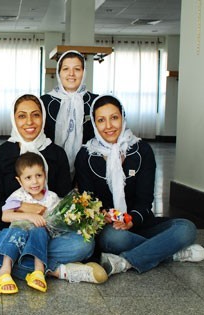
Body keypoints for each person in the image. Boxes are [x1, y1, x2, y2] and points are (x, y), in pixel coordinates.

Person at [0, 94, 107, 284]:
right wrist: (27, 210)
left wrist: (47, 217)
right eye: (22, 116)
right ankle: (58, 271)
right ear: (14, 118)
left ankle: (2, 261)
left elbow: (63, 201)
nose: (29, 121)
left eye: (35, 115)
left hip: (48, 232)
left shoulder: (56, 153)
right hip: (13, 231)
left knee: (85, 245)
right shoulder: (0, 153)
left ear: (43, 117)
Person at [74, 94, 204, 276]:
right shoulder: (86, 155)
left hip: (141, 224)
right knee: (114, 239)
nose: (109, 126)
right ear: (95, 124)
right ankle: (170, 253)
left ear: (123, 117)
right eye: (101, 120)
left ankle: (125, 261)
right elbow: (89, 200)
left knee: (187, 228)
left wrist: (131, 220)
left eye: (114, 118)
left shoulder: (141, 150)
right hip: (112, 229)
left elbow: (145, 200)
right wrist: (104, 216)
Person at [0, 152, 61, 294]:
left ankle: (38, 271)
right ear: (20, 181)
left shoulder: (52, 197)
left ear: (45, 174)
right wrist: (30, 216)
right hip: (17, 236)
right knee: (15, 231)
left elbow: (57, 221)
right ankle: (4, 271)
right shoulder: (17, 196)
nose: (34, 182)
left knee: (40, 231)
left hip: (40, 239)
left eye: (38, 176)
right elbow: (5, 215)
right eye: (28, 178)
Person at [41, 50, 98, 176]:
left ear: (84, 72)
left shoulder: (95, 102)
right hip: (49, 168)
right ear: (59, 72)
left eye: (77, 69)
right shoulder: (44, 101)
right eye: (66, 69)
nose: (71, 74)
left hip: (87, 168)